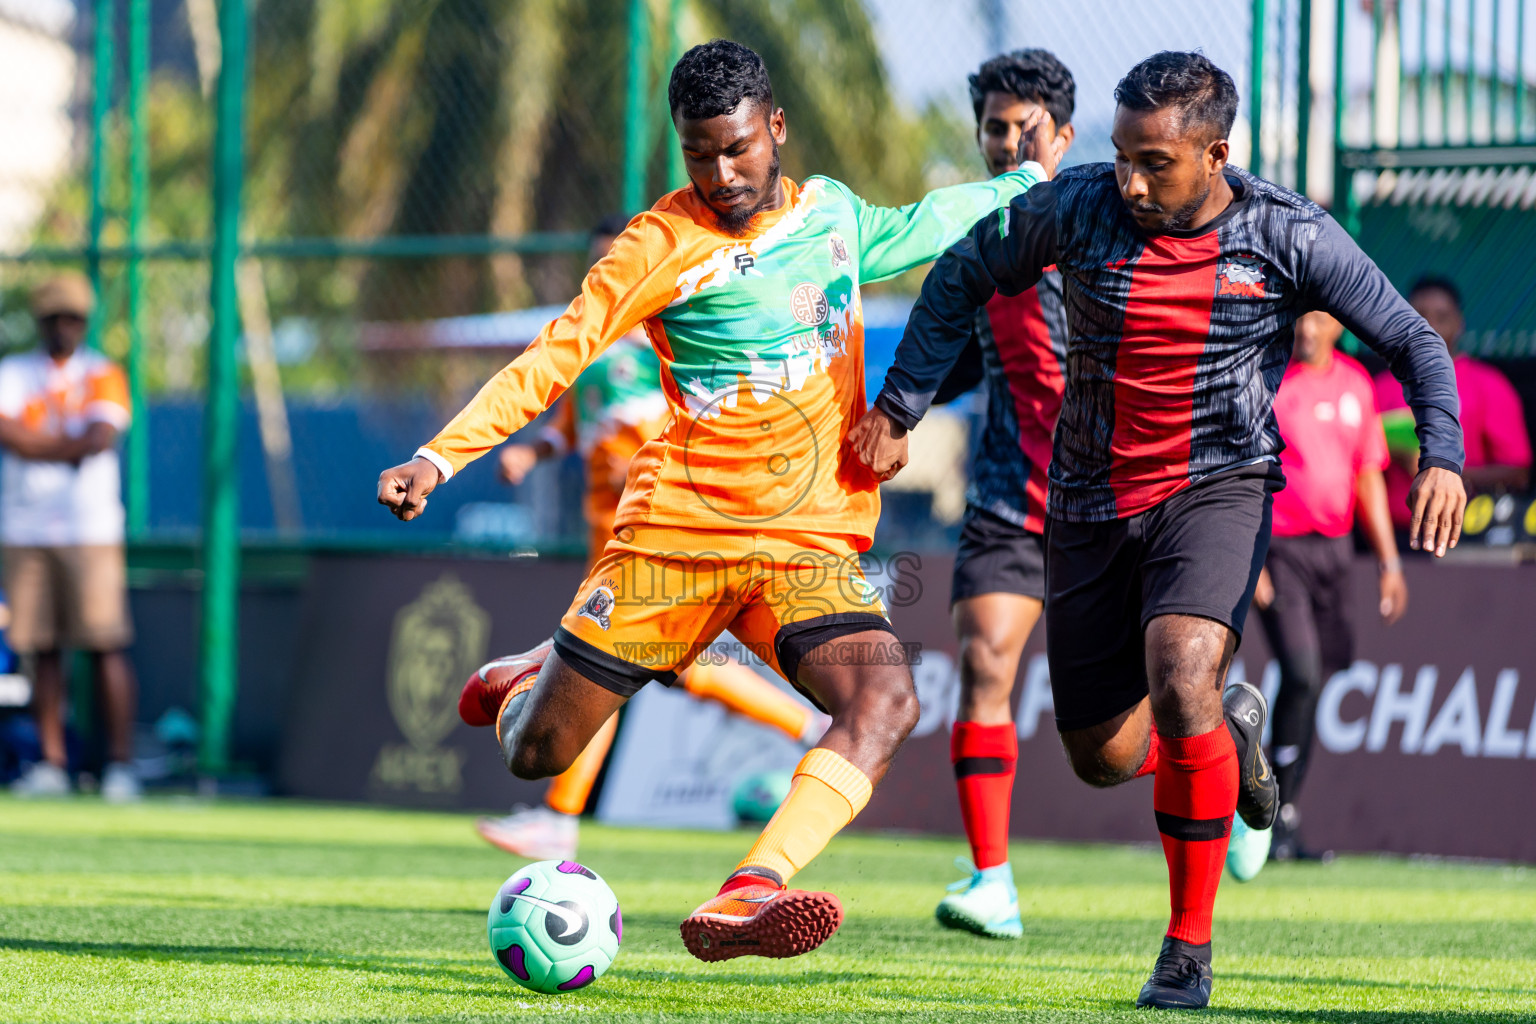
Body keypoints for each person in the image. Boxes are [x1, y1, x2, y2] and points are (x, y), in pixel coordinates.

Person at [378, 39, 1057, 962]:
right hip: (677, 543)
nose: (722, 173)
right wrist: (437, 457)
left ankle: (751, 888)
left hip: (808, 549)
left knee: (885, 700)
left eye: (737, 148)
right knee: (537, 753)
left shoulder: (833, 219)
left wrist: (1025, 184)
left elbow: (932, 219)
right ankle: (532, 675)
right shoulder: (658, 244)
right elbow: (553, 358)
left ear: (775, 127)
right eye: (699, 154)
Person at [848, 51, 1465, 1008]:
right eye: (1123, 156)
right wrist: (900, 403)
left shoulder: (1286, 232)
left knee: (1182, 677)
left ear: (1216, 153)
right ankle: (1234, 727)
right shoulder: (1079, 206)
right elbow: (966, 269)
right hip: (1088, 503)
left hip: (1219, 490)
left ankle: (1187, 950)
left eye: (1156, 163)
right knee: (1107, 758)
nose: (1131, 181)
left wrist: (1442, 453)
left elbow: (1413, 340)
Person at [468, 216, 832, 861]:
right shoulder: (597, 349)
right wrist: (532, 454)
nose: (611, 275)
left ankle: (559, 815)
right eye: (599, 263)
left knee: (594, 663)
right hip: (602, 534)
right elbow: (574, 429)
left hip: (661, 534)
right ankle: (808, 726)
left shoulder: (675, 341)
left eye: (620, 260)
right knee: (648, 668)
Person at [924, 49, 1075, 941]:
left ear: (1060, 134)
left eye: (1024, 129)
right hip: (1007, 494)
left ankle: (1229, 756)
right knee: (984, 663)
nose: (1006, 143)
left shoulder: (1105, 222)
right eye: (993, 128)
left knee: (1148, 714)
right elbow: (964, 359)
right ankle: (993, 881)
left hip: (1112, 499)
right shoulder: (976, 239)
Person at [1250, 311, 1406, 867]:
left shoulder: (1354, 384)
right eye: (1302, 319)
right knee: (1301, 673)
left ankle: (1279, 816)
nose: (1308, 329)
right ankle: (1267, 810)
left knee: (1316, 685)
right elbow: (1248, 474)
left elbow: (1367, 473)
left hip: (1336, 553)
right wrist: (1253, 558)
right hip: (1280, 550)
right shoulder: (1271, 381)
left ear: (1338, 325)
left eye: (1319, 319)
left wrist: (1388, 561)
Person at [0, 273, 140, 801]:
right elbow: (6, 432)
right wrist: (66, 445)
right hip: (24, 526)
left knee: (105, 644)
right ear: (41, 322)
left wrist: (38, 445)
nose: (64, 328)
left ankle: (121, 767)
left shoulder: (102, 372)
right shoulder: (13, 372)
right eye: (55, 318)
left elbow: (99, 438)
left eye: (73, 319)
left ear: (84, 323)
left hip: (90, 528)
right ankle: (53, 764)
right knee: (43, 648)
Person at [1375, 276, 1530, 529]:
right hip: (1390, 536)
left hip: (1465, 534)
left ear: (1459, 324)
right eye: (1418, 316)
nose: (1429, 325)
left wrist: (1438, 469)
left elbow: (1518, 474)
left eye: (1442, 318)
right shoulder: (1378, 386)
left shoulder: (1489, 385)